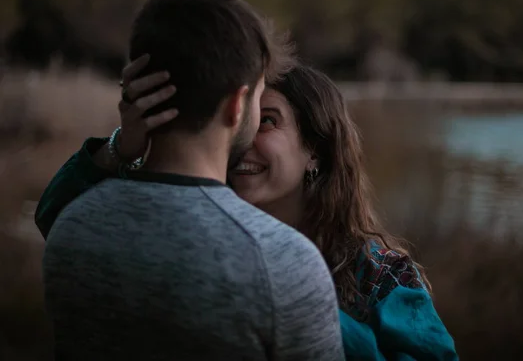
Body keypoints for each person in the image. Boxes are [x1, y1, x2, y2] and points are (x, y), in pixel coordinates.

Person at [37, 62, 458, 360]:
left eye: (268, 122)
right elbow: (58, 217)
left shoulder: (381, 275)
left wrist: (298, 307)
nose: (242, 143)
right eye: (238, 125)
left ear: (316, 150)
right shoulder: (194, 237)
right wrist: (122, 148)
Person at [40, 0, 344, 361]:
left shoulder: (75, 225)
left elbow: (51, 215)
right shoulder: (282, 262)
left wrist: (119, 149)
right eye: (258, 101)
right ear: (237, 106)